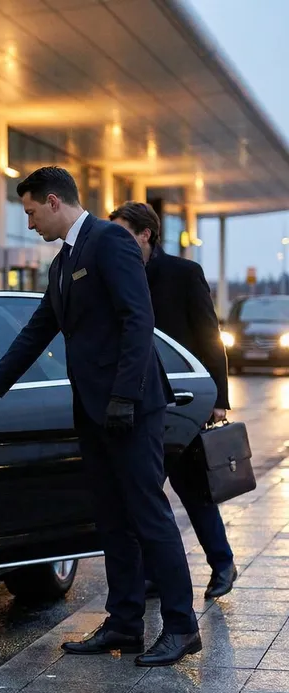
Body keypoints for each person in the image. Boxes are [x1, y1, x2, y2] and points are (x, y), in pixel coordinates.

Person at [0, 166, 201, 667]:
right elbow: (37, 331)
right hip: (93, 409)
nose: (29, 223)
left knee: (148, 515)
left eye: (31, 212)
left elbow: (138, 319)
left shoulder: (110, 241)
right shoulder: (64, 262)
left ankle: (181, 627)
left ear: (54, 202)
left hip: (130, 407)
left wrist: (124, 396)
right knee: (111, 518)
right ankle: (124, 623)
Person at [109, 201, 237, 599]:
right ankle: (153, 575)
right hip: (138, 398)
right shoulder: (116, 272)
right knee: (145, 493)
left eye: (123, 233)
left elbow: (209, 335)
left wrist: (218, 397)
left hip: (183, 398)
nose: (115, 241)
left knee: (192, 487)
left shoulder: (183, 273)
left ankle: (222, 564)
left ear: (145, 234)